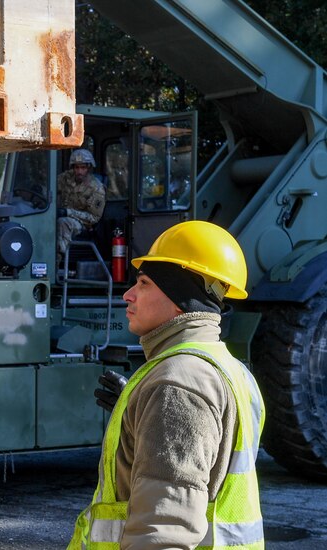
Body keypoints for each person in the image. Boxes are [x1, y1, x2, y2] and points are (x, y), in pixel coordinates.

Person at [69, 220, 265, 550]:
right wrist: (141, 416)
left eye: (143, 283)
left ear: (180, 301)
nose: (127, 295)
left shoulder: (178, 384)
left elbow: (164, 531)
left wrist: (164, 402)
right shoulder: (228, 369)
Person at [56, 149, 106, 268]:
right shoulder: (65, 178)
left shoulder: (97, 188)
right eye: (76, 167)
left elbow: (94, 218)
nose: (79, 171)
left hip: (83, 225)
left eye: (83, 168)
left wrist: (68, 212)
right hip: (59, 214)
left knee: (63, 223)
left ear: (89, 168)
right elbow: (51, 187)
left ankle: (55, 264)